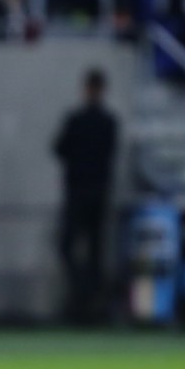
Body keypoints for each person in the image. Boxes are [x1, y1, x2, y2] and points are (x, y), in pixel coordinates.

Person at [53, 68, 119, 323]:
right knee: (94, 250)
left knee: (73, 247)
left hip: (79, 192)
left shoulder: (77, 120)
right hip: (97, 192)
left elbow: (59, 148)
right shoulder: (107, 122)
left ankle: (82, 297)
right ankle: (91, 299)